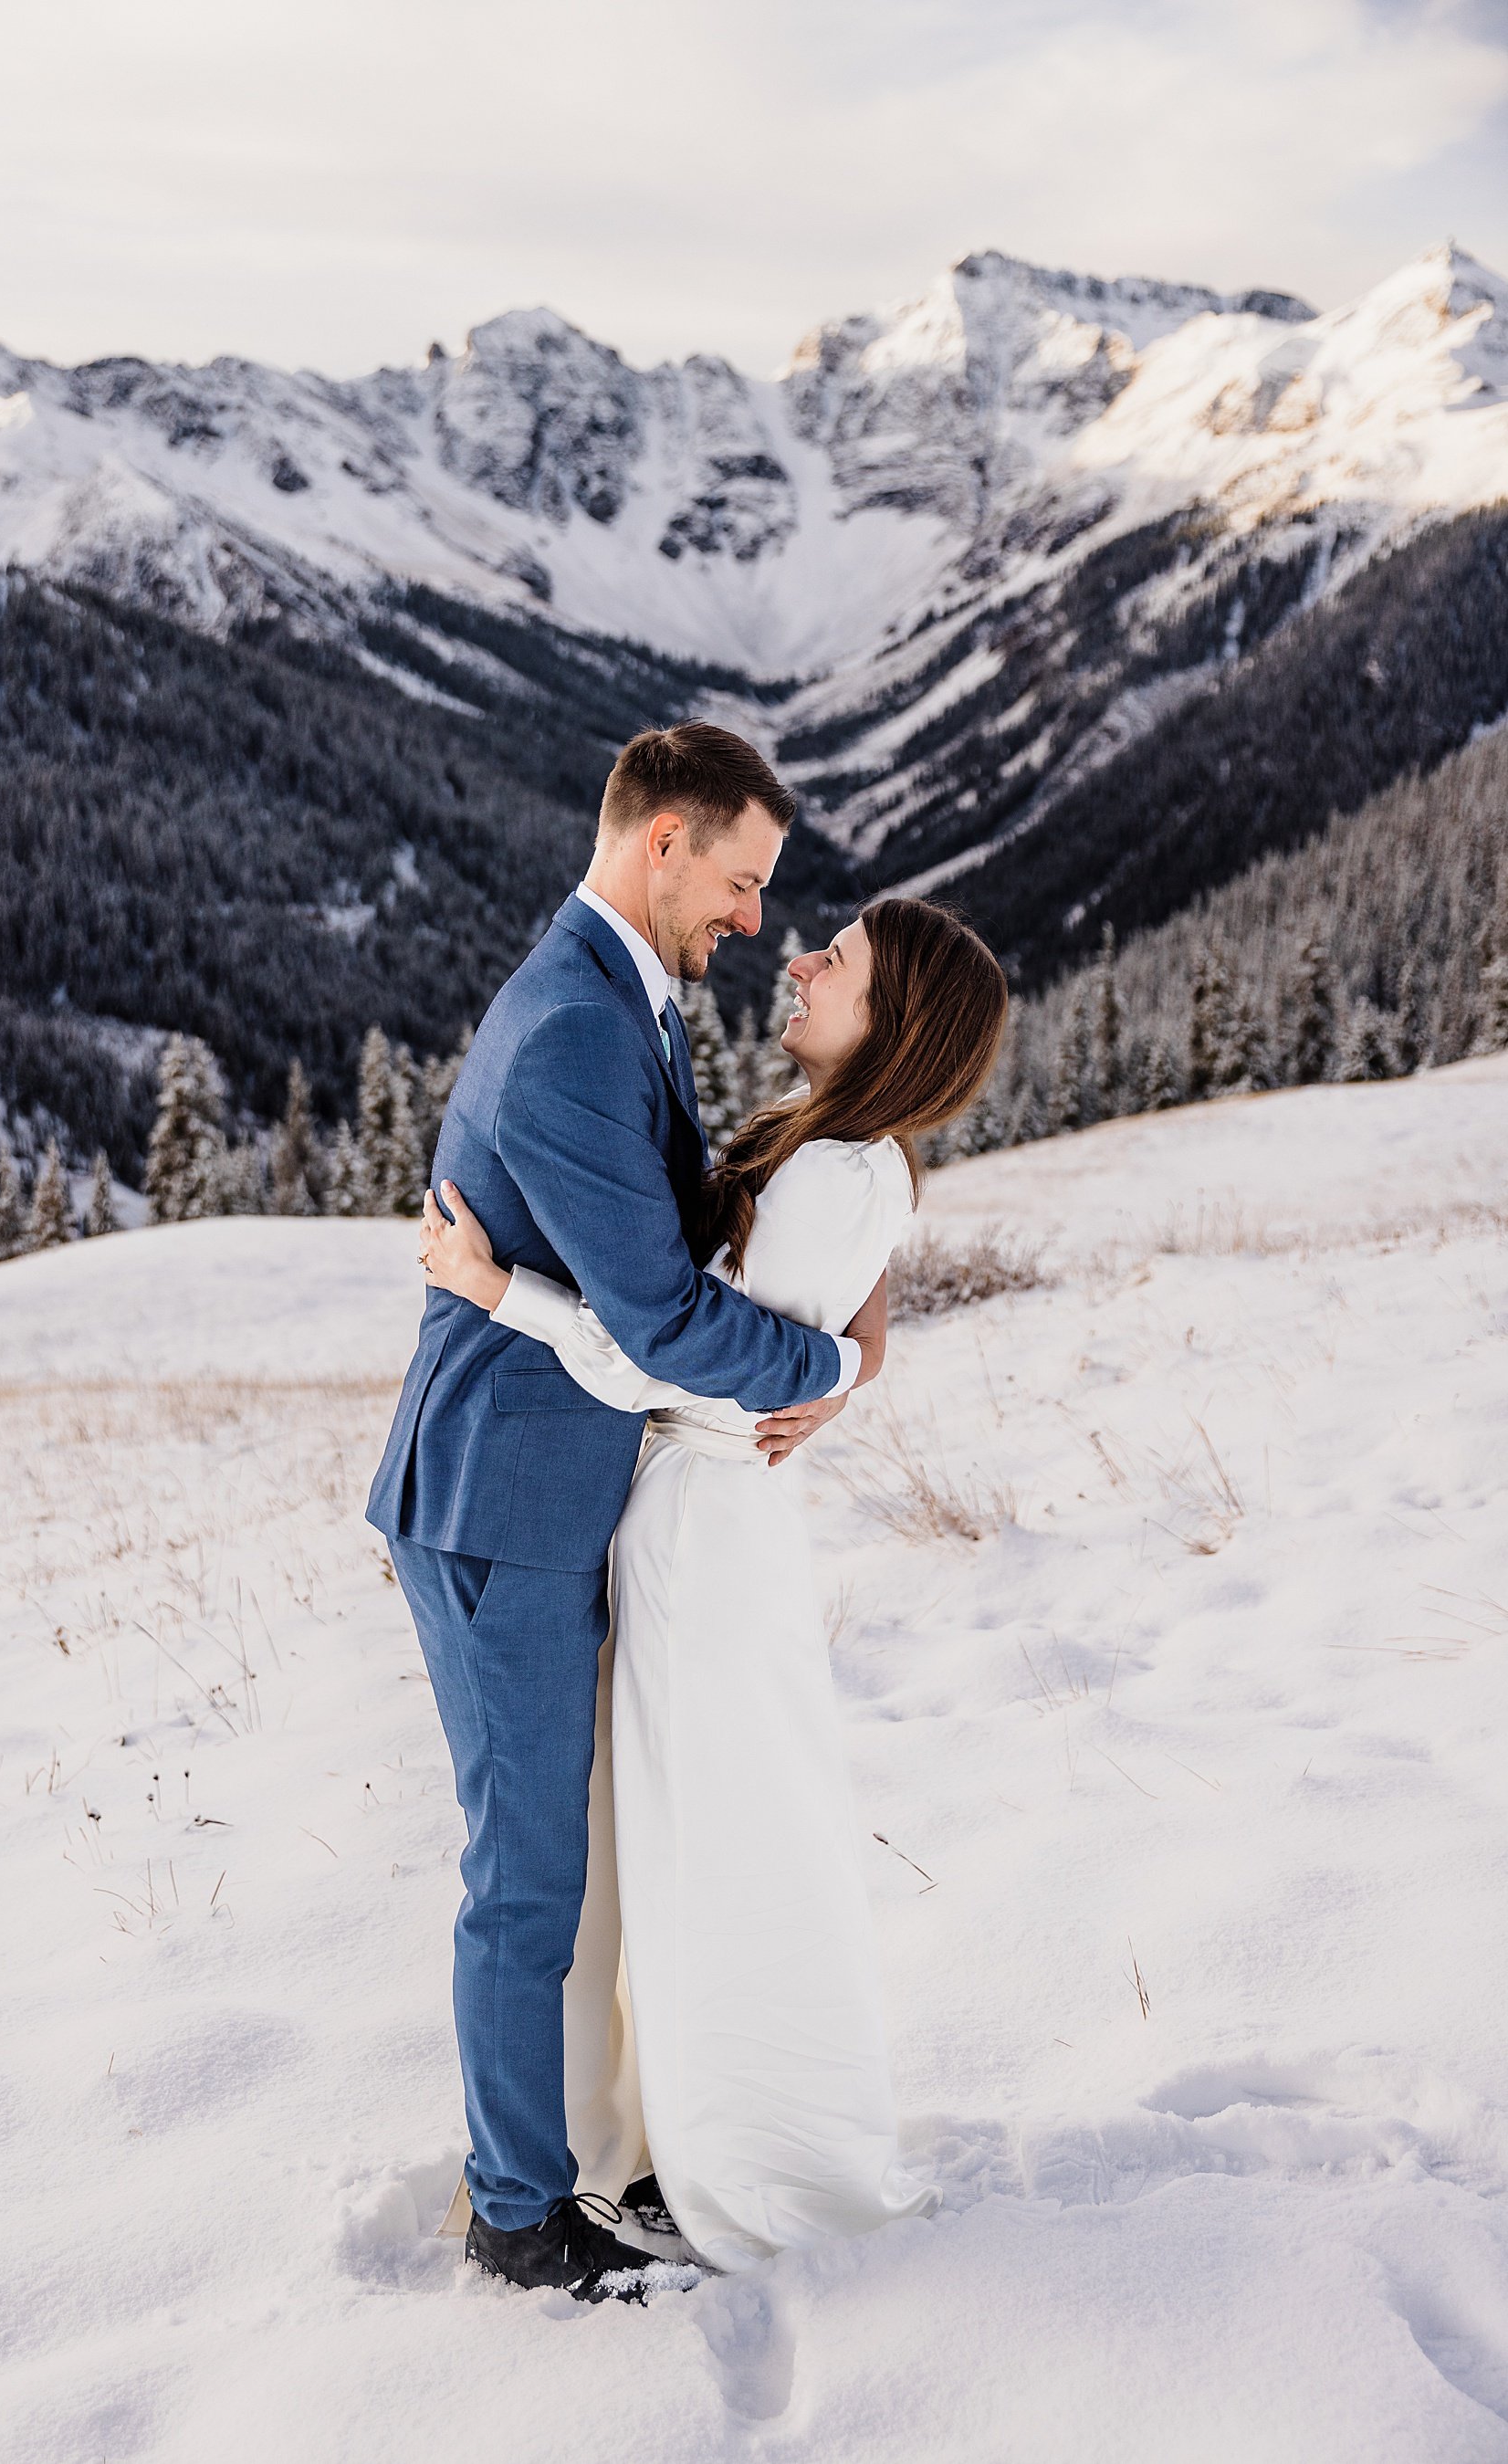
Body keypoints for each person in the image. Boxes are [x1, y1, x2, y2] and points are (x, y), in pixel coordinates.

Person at [366, 724, 886, 2304]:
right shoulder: (578, 1029)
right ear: (662, 842)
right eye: (737, 882)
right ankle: (517, 2217)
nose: (750, 922)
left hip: (555, 1494)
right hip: (500, 1504)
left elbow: (673, 1230)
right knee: (524, 1872)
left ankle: (584, 2154)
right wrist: (827, 1366)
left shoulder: (623, 993)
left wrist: (864, 1328)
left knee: (570, 1863)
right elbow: (660, 1314)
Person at [421, 892, 1009, 2275]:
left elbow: (676, 1356)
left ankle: (722, 2147)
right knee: (697, 1835)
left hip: (695, 1520)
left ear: (893, 1023)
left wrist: (495, 1287)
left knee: (696, 1845)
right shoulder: (855, 1159)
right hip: (702, 1513)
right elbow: (841, 1318)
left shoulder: (829, 1173)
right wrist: (857, 1366)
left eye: (839, 961)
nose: (797, 956)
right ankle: (682, 2129)